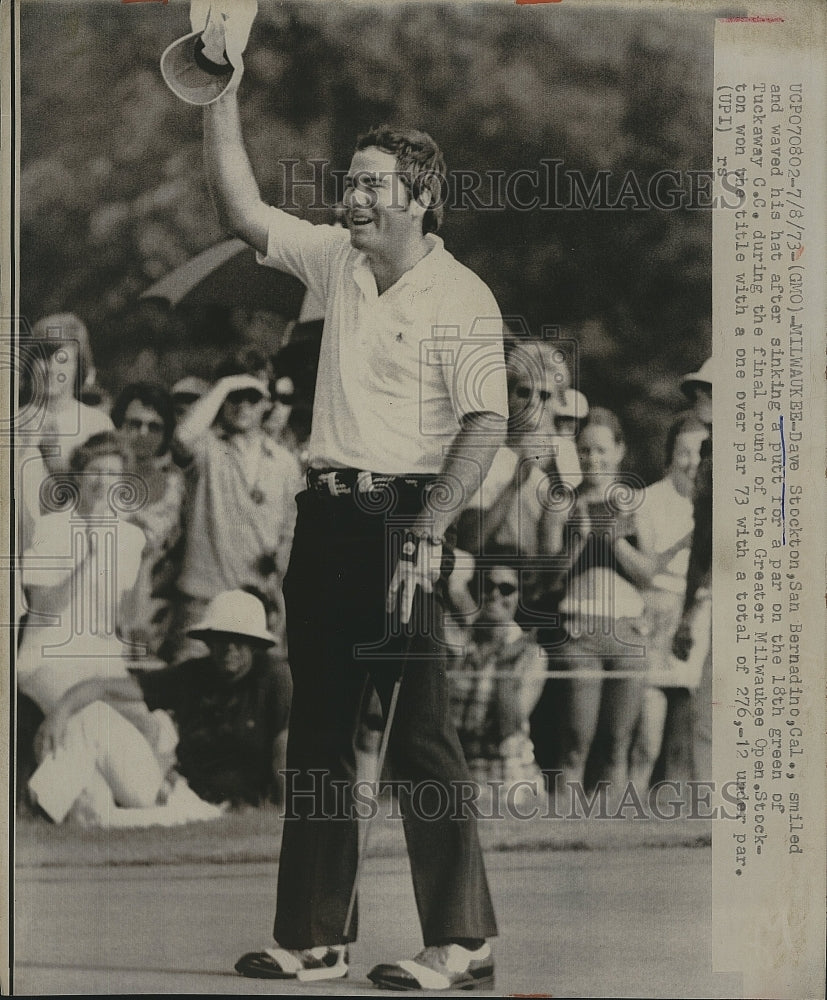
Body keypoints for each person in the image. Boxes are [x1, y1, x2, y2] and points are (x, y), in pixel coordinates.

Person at [172, 4, 507, 988]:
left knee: (417, 737)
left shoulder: (462, 297)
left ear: (417, 197)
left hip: (405, 519)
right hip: (323, 515)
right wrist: (220, 95)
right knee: (316, 728)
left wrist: (432, 528)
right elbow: (239, 212)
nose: (348, 197)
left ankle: (464, 940)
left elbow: (483, 425)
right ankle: (316, 934)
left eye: (367, 184)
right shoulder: (337, 262)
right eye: (349, 182)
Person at [17, 432, 178, 824]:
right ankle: (49, 798)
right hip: (48, 658)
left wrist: (146, 565)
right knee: (92, 718)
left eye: (112, 472)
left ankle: (80, 800)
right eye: (95, 470)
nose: (103, 480)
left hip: (104, 663)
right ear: (78, 475)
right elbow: (43, 607)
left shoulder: (129, 536)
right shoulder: (51, 529)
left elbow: (130, 622)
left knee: (152, 725)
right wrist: (86, 556)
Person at [36, 590, 290, 812]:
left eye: (240, 640)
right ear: (209, 640)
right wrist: (61, 709)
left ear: (255, 644)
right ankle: (41, 808)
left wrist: (282, 816)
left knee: (112, 818)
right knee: (93, 719)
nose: (229, 648)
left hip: (225, 809)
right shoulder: (194, 674)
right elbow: (107, 689)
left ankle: (100, 818)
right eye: (221, 638)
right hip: (177, 791)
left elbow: (285, 754)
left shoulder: (274, 680)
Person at [165, 367, 301, 663]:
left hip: (258, 602)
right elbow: (181, 439)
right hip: (203, 598)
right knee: (192, 690)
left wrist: (279, 573)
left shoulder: (285, 463)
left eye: (252, 398)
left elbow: (291, 530)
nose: (243, 406)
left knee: (255, 698)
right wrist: (226, 383)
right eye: (235, 397)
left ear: (267, 403)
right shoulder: (208, 449)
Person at [551, 408, 652, 802]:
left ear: (620, 450)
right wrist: (577, 542)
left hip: (628, 631)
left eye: (601, 450)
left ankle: (611, 844)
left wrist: (615, 541)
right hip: (579, 630)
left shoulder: (635, 504)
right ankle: (560, 836)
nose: (593, 458)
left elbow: (648, 573)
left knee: (618, 742)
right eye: (585, 450)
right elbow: (547, 580)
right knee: (575, 740)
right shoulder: (564, 504)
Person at [626, 415, 710, 790]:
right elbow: (646, 568)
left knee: (691, 734)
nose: (692, 462)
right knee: (647, 736)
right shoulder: (649, 500)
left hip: (701, 615)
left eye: (700, 453)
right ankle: (631, 808)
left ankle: (682, 823)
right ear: (670, 456)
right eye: (684, 452)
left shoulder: (715, 503)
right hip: (657, 613)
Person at [447, 561, 547, 808]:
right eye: (487, 585)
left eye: (506, 589)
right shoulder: (457, 645)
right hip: (458, 765)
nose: (495, 594)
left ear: (518, 597)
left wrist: (504, 666)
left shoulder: (531, 654)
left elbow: (509, 726)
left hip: (506, 769)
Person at [111, 382, 186, 657]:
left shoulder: (176, 483)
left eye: (154, 426)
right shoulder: (102, 475)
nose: (143, 434)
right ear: (119, 424)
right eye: (134, 424)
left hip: (151, 603)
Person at [21, 313, 114, 475]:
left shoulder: (97, 425)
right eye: (43, 358)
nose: (51, 369)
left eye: (62, 359)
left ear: (78, 367)